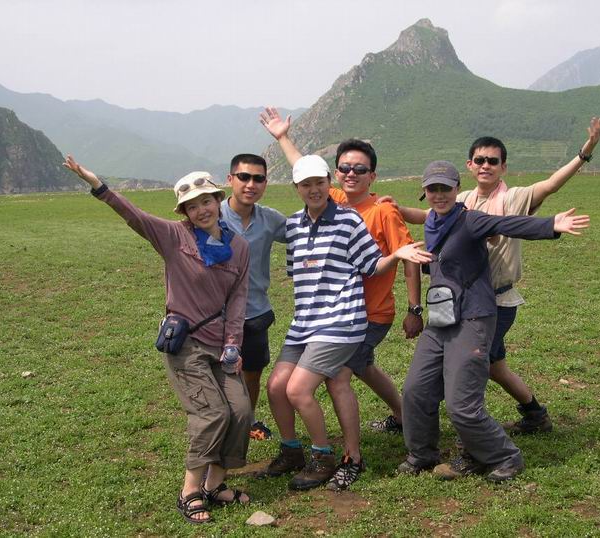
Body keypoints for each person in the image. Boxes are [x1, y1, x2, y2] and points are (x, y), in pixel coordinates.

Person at [63, 156, 252, 525]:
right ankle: (190, 491)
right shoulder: (173, 236)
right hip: (187, 345)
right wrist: (97, 185)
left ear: (218, 200)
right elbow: (134, 216)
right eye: (192, 206)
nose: (201, 210)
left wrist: (233, 344)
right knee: (211, 413)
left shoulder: (239, 248)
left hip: (221, 347)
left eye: (206, 201)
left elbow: (238, 299)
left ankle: (215, 485)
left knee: (241, 411)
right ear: (184, 211)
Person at [390, 118, 600, 434]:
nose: (485, 166)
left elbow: (550, 185)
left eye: (493, 161)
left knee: (467, 366)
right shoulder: (461, 199)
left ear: (503, 166)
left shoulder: (515, 197)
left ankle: (468, 433)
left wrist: (584, 153)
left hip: (496, 301)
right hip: (463, 300)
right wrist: (395, 209)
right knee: (494, 366)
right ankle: (535, 414)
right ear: (470, 165)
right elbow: (428, 214)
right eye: (480, 160)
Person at [260, 107, 424, 490]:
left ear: (372, 176)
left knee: (338, 379)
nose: (351, 174)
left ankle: (350, 456)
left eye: (359, 170)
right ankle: (405, 415)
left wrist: (415, 308)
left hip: (367, 313)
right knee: (360, 369)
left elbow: (406, 259)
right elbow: (306, 172)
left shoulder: (381, 211)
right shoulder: (330, 201)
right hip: (321, 317)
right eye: (345, 169)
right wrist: (283, 137)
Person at [398, 160, 589, 481]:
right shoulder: (432, 221)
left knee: (461, 403)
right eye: (433, 189)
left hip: (473, 316)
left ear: (457, 189)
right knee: (416, 390)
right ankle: (422, 454)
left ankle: (505, 456)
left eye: (445, 188)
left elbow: (508, 224)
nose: (439, 194)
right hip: (441, 315)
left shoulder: (470, 219)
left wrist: (550, 225)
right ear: (424, 192)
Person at [221, 153, 287, 441]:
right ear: (230, 179)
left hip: (256, 312)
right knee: (219, 374)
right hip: (218, 314)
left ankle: (247, 420)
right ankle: (222, 425)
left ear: (265, 183)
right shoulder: (212, 214)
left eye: (258, 178)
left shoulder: (270, 219)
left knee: (252, 373)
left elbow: (307, 230)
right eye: (244, 177)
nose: (251, 184)